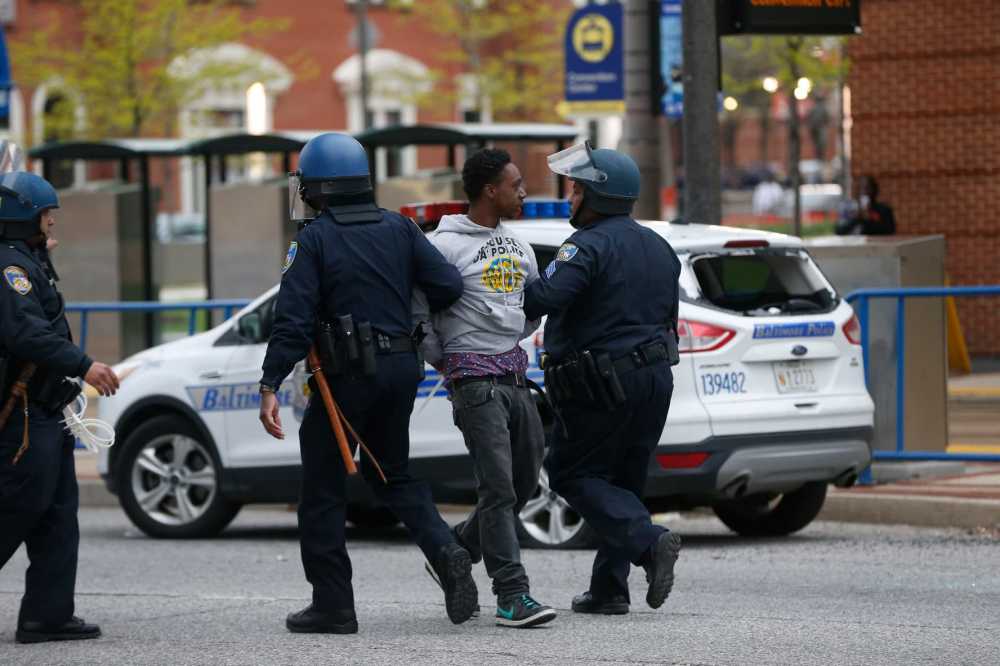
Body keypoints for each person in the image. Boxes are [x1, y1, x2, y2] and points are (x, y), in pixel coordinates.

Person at [258, 133, 477, 634]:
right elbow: (447, 284)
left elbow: (292, 320)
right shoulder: (399, 228)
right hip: (401, 369)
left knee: (322, 490)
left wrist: (270, 381)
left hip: (345, 379)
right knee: (392, 472)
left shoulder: (314, 239)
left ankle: (333, 606)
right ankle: (447, 552)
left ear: (318, 187)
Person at [523, 143, 682, 616]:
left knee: (573, 473)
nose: (570, 198)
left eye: (576, 190)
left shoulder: (586, 245)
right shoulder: (658, 245)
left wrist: (508, 281)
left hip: (603, 381)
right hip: (655, 378)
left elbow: (544, 297)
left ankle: (649, 544)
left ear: (597, 196)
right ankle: (610, 589)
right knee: (626, 481)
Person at [413, 148, 555, 628]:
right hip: (474, 385)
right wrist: (451, 362)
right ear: (489, 190)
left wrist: (507, 338)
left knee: (521, 482)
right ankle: (513, 595)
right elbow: (423, 317)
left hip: (516, 377)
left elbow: (531, 307)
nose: (524, 191)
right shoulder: (442, 246)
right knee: (497, 488)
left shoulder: (518, 247)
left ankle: (454, 551)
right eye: (516, 184)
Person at [0, 171, 120, 644]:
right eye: (47, 214)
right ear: (25, 218)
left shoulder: (25, 261)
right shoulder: (9, 270)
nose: (52, 223)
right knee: (15, 508)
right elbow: (27, 334)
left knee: (56, 515)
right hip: (23, 418)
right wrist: (85, 365)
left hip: (45, 410)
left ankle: (46, 615)